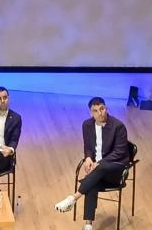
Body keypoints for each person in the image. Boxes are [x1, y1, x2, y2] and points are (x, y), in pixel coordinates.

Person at [54, 97, 129, 230]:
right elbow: (88, 147)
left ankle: (73, 198)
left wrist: (98, 163)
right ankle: (88, 225)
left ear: (106, 108)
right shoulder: (87, 125)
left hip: (115, 171)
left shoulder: (118, 126)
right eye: (95, 111)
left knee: (99, 168)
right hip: (97, 173)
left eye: (102, 109)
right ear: (91, 113)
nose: (100, 113)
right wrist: (88, 158)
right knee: (92, 182)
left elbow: (119, 152)